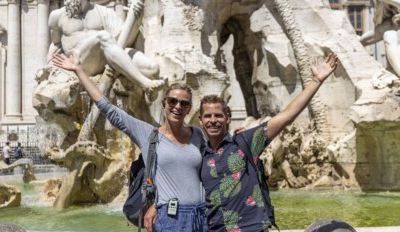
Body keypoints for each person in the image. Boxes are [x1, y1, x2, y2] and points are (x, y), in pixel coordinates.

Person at [52, 53, 208, 231]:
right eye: (172, 101)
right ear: (164, 103)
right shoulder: (149, 134)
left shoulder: (198, 135)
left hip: (201, 216)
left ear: (189, 109)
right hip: (169, 217)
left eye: (184, 104)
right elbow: (108, 109)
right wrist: (79, 70)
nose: (178, 107)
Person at [198, 54, 338, 231]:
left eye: (218, 115)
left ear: (227, 118)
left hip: (252, 228)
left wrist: (316, 81)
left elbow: (286, 117)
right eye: (208, 116)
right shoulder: (199, 155)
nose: (213, 120)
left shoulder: (246, 142)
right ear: (200, 120)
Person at [48, 0, 164, 94]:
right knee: (103, 36)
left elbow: (124, 42)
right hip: (80, 62)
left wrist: (136, 21)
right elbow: (56, 46)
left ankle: (150, 98)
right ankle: (145, 83)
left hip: (106, 58)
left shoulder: (103, 12)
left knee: (152, 68)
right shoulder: (57, 16)